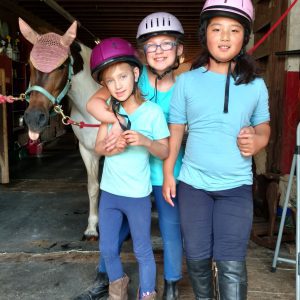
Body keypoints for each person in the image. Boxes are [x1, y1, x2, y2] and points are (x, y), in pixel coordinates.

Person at [162, 1, 271, 299]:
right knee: (196, 258)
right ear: (205, 34)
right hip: (193, 185)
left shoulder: (256, 85)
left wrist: (259, 139)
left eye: (234, 30)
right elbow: (176, 133)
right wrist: (169, 172)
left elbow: (264, 127)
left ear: (244, 37)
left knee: (232, 262)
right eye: (217, 29)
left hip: (236, 187)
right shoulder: (186, 82)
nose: (225, 37)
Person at [84, 12, 185, 300]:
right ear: (142, 55)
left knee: (169, 227)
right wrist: (114, 122)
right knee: (113, 235)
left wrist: (167, 172)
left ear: (179, 50)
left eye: (167, 45)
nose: (160, 51)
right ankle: (107, 278)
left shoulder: (185, 87)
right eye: (152, 46)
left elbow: (171, 140)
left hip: (166, 168)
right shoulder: (126, 75)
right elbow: (95, 102)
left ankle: (171, 285)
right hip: (127, 178)